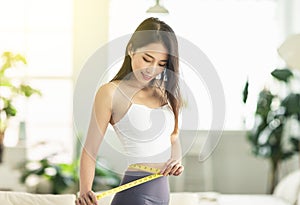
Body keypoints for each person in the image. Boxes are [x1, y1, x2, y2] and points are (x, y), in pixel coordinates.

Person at [75, 17, 184, 205]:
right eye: (147, 59)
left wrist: (176, 160)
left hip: (163, 194)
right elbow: (90, 149)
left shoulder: (164, 95)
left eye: (161, 63)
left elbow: (173, 138)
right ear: (131, 49)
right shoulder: (110, 93)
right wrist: (85, 191)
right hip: (135, 195)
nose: (152, 69)